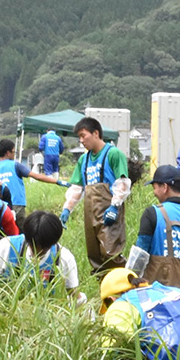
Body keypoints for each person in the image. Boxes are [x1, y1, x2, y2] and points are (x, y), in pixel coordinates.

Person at [126, 164, 180, 299]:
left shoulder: (152, 213)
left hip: (156, 301)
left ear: (164, 187)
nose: (154, 192)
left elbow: (139, 256)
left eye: (154, 187)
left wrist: (129, 279)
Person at [60, 117, 132, 275]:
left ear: (96, 133)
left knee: (110, 252)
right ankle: (104, 292)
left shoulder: (113, 154)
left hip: (109, 211)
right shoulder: (83, 160)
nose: (81, 141)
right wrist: (67, 210)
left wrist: (114, 206)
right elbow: (77, 188)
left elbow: (123, 183)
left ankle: (126, 286)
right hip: (91, 211)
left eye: (83, 135)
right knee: (95, 256)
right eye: (79, 137)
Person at [0, 210, 84, 300]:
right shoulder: (8, 246)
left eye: (43, 248)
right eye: (33, 246)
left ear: (54, 242)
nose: (37, 252)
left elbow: (74, 294)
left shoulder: (63, 257)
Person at [0, 138, 65, 223]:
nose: (14, 154)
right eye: (13, 152)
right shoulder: (15, 165)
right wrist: (56, 181)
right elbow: (36, 176)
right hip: (16, 204)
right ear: (8, 153)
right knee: (22, 232)